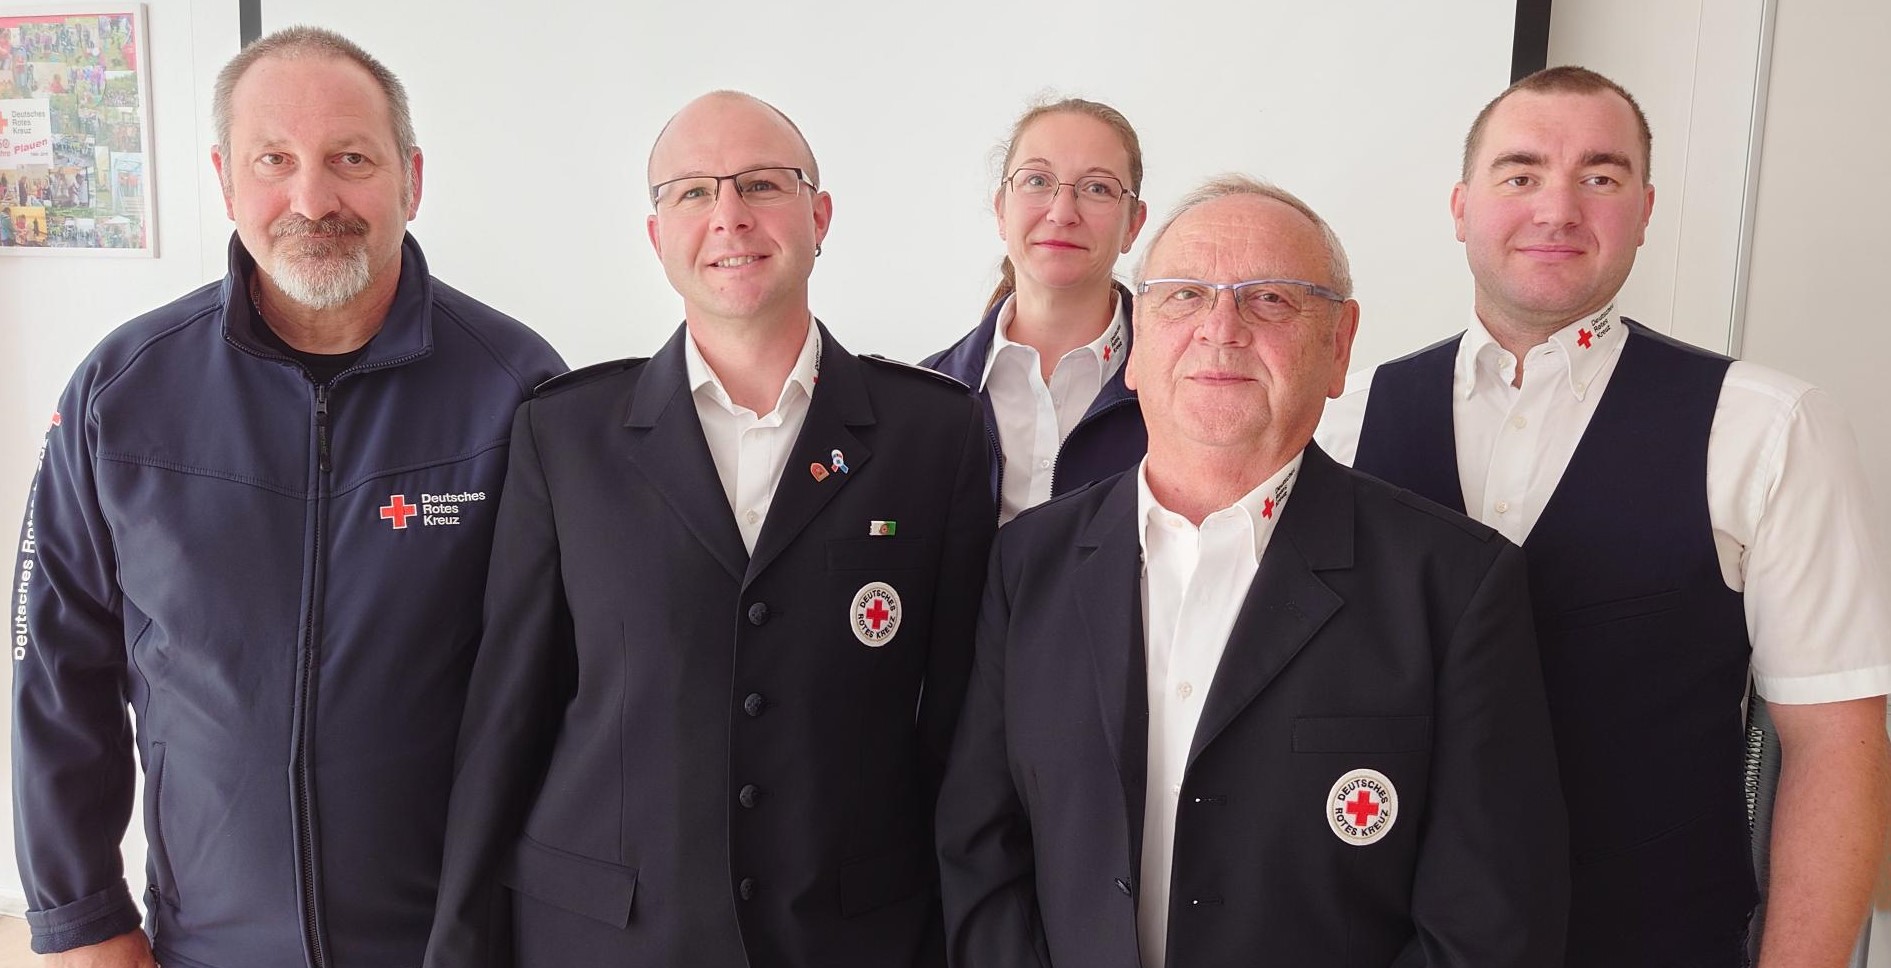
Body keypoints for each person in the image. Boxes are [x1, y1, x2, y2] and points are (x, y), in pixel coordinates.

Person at [11, 26, 565, 968]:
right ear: (228, 182)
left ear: (411, 179)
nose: (314, 199)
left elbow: (571, 688)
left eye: (351, 159)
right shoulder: (122, 390)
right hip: (208, 944)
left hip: (458, 943)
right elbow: (58, 668)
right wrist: (82, 921)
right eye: (276, 161)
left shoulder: (515, 388)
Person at [1316, 66, 1891, 968]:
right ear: (1461, 205)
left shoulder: (1769, 427)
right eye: (1519, 173)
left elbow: (1833, 745)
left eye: (1599, 175)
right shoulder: (1333, 425)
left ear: (1645, 207)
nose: (1556, 208)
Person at [937, 176, 1569, 968]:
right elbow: (980, 852)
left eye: (1270, 299)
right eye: (1183, 297)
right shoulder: (1027, 562)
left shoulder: (1454, 588)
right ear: (1134, 348)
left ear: (1338, 346)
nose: (1220, 329)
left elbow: (1486, 924)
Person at [425, 91, 994, 968]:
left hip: (852, 937)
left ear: (819, 216)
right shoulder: (566, 434)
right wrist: (460, 946)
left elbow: (959, 728)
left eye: (762, 184)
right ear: (657, 237)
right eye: (691, 192)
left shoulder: (936, 435)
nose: (728, 216)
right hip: (604, 937)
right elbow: (509, 714)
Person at [923, 98, 1149, 523]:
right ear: (1001, 210)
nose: (1062, 213)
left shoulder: (1182, 388)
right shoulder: (924, 396)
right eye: (1037, 181)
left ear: (1133, 225)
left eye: (1098, 188)